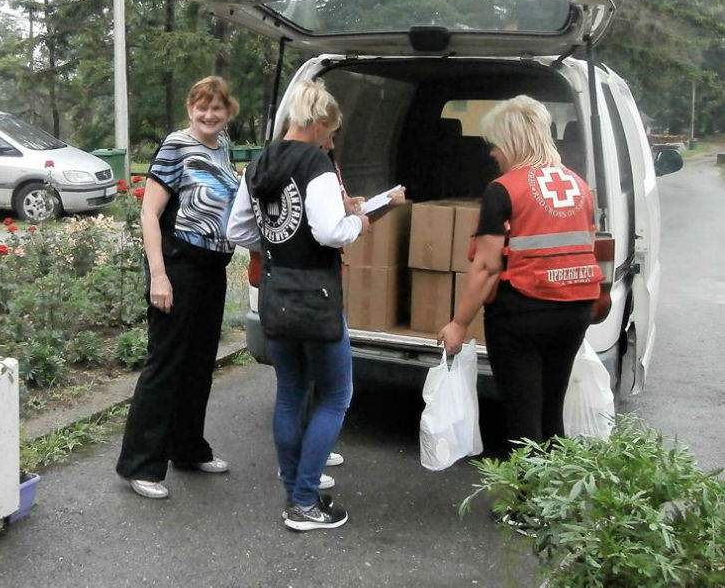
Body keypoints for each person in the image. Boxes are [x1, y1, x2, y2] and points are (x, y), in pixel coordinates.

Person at [228, 79, 402, 531]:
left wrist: (277, 246)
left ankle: (295, 489)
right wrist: (359, 223)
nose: (332, 142)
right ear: (320, 123)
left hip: (276, 292)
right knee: (336, 395)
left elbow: (238, 230)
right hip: (316, 297)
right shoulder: (316, 164)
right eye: (332, 132)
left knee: (290, 393)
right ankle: (304, 502)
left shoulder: (260, 163)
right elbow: (328, 232)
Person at [438, 95, 603, 448]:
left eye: (495, 143)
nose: (492, 152)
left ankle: (527, 486)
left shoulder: (503, 190)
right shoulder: (579, 186)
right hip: (575, 312)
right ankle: (556, 480)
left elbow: (487, 267)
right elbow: (587, 246)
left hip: (522, 316)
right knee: (551, 410)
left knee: (523, 417)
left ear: (511, 142)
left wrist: (459, 324)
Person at [116, 76, 240, 499]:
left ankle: (187, 448)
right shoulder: (176, 146)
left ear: (228, 112)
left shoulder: (222, 147)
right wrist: (159, 275)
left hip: (212, 268)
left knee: (200, 362)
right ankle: (141, 465)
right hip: (178, 267)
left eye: (217, 108)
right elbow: (149, 214)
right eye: (202, 106)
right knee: (166, 364)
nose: (209, 114)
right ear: (190, 108)